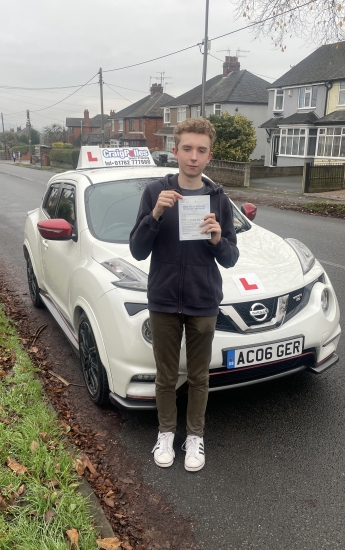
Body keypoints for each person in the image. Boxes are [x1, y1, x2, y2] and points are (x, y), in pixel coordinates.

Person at [130, 118, 239, 472]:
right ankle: (165, 432)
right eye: (187, 149)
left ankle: (194, 436)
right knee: (165, 374)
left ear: (209, 155)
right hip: (163, 299)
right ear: (174, 151)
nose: (193, 157)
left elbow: (231, 257)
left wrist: (218, 239)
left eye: (201, 150)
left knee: (198, 376)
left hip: (203, 300)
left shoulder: (219, 198)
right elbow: (137, 251)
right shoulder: (154, 192)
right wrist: (156, 214)